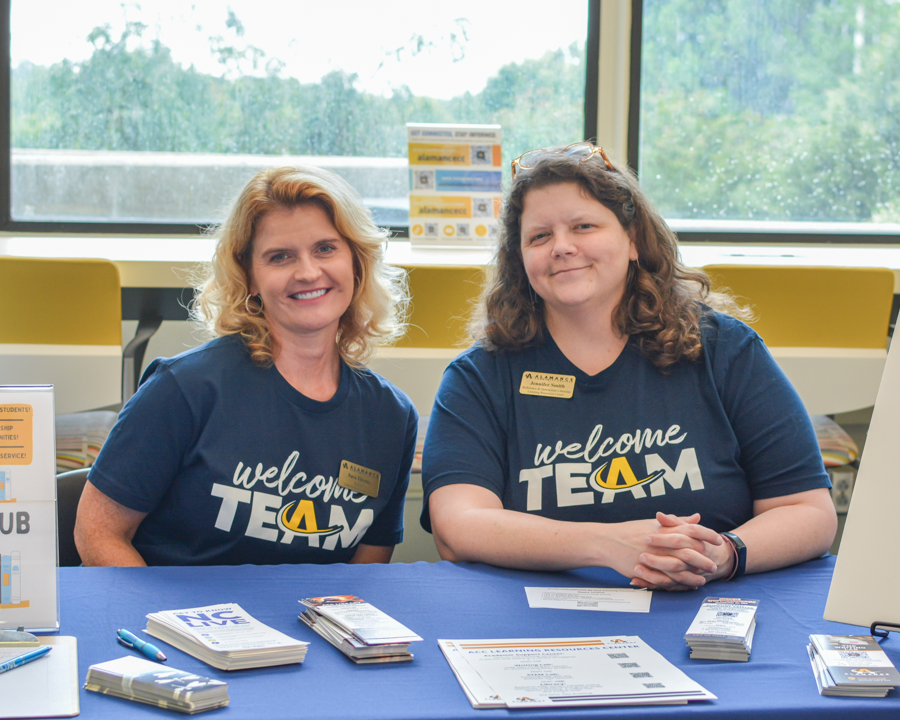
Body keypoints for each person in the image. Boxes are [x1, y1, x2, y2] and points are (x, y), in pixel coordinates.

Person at [421, 142, 837, 590]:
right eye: (539, 236)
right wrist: (607, 544)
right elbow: (458, 526)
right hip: (543, 629)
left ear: (634, 240)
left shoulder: (724, 349)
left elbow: (808, 511)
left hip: (708, 606)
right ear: (521, 261)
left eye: (584, 226)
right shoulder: (479, 376)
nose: (562, 247)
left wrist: (723, 554)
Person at [75, 166, 418, 566]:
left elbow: (366, 572)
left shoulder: (390, 417)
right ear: (250, 276)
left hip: (306, 627)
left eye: (325, 248)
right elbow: (97, 532)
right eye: (280, 256)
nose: (307, 272)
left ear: (356, 262)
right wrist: (166, 624)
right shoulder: (184, 389)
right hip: (176, 622)